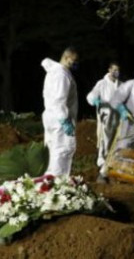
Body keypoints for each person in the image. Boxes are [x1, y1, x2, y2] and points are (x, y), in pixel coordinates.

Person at [41, 47, 79, 176]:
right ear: (67, 57)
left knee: (52, 150)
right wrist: (64, 119)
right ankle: (58, 181)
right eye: (74, 60)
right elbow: (59, 99)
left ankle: (49, 180)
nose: (75, 63)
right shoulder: (62, 75)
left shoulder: (54, 72)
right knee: (61, 150)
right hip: (60, 119)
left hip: (51, 116)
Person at [86, 62, 122, 183]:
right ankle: (103, 172)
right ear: (109, 70)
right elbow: (91, 95)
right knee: (104, 142)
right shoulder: (101, 84)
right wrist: (95, 100)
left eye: (118, 70)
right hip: (105, 117)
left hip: (118, 119)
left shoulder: (121, 85)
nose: (116, 72)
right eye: (114, 69)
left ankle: (112, 171)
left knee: (117, 144)